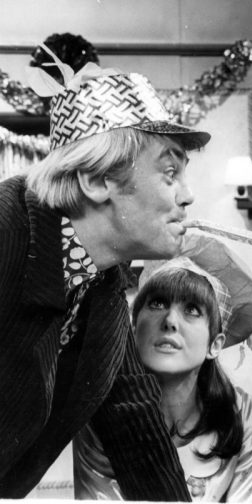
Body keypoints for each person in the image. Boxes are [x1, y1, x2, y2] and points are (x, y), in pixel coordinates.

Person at [0, 54, 211, 499]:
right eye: (170, 172)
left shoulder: (104, 284)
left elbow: (137, 429)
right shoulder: (5, 231)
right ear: (96, 180)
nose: (188, 196)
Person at [74, 232, 252, 502]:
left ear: (215, 344)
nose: (170, 321)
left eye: (192, 310)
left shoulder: (246, 414)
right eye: (157, 303)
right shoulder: (97, 414)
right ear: (132, 327)